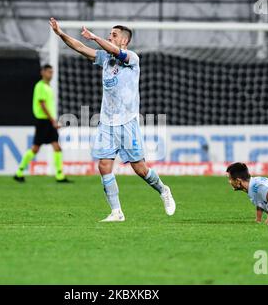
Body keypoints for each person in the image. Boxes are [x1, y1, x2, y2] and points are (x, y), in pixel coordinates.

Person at [49, 17, 176, 222]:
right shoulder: (105, 59)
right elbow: (81, 47)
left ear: (124, 41)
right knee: (104, 166)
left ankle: (163, 190)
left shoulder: (132, 58)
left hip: (127, 122)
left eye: (114, 35)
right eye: (109, 35)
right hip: (107, 123)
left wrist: (95, 37)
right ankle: (117, 212)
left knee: (140, 169)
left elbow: (116, 52)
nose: (110, 37)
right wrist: (61, 33)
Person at [13, 64, 70, 183]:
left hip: (48, 121)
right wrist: (53, 120)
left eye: (52, 72)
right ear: (42, 72)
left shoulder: (48, 87)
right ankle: (19, 172)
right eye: (49, 72)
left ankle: (59, 176)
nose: (51, 74)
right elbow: (43, 105)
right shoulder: (40, 86)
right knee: (35, 148)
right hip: (43, 121)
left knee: (57, 147)